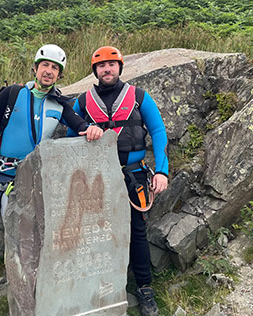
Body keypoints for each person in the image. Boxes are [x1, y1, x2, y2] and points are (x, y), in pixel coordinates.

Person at [67, 46, 168, 316]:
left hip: (133, 176)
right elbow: (69, 136)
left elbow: (157, 131)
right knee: (96, 235)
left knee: (136, 231)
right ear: (95, 71)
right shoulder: (82, 102)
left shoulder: (138, 97)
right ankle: (100, 287)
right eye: (101, 66)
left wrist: (162, 171)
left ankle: (144, 288)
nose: (107, 69)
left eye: (112, 65)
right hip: (97, 179)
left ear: (120, 68)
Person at [0, 44, 103, 217]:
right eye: (45, 65)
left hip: (37, 179)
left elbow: (80, 126)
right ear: (35, 68)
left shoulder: (60, 104)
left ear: (59, 74)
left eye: (54, 68)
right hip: (6, 176)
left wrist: (93, 129)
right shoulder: (13, 93)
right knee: (12, 234)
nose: (49, 71)